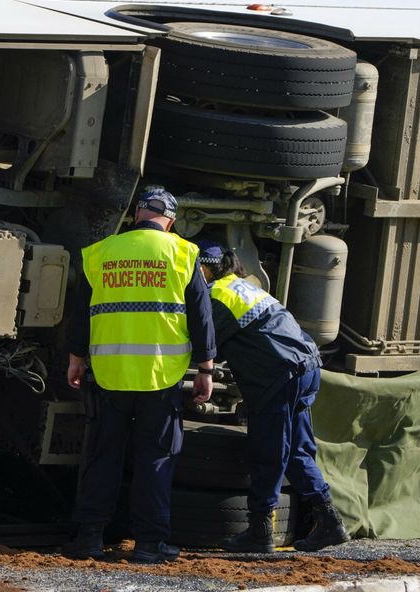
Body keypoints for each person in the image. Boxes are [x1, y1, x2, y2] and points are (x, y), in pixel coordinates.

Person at [63, 187, 216, 564]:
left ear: (136, 215)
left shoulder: (101, 253)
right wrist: (206, 369)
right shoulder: (181, 253)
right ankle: (150, 544)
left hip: (110, 373)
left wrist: (75, 359)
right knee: (156, 458)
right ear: (170, 221)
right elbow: (201, 316)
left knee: (102, 456)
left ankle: (88, 538)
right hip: (159, 376)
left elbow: (81, 313)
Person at [196, 241, 350, 553]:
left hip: (277, 376)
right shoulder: (245, 287)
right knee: (298, 449)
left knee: (269, 450)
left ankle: (260, 530)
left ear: (204, 269)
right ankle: (329, 521)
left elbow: (202, 346)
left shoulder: (216, 296)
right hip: (306, 368)